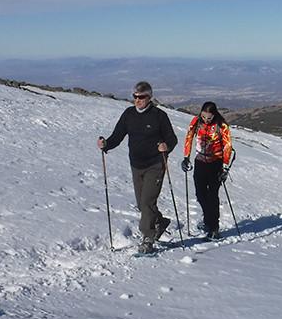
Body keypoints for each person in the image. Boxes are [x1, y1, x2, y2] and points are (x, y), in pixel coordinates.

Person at [98, 81, 178, 254]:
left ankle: (148, 238)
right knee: (142, 205)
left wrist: (166, 146)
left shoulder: (159, 116)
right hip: (136, 164)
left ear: (149, 97)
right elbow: (117, 135)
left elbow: (172, 139)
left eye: (141, 97)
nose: (137, 100)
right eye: (135, 96)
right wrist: (106, 144)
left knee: (147, 201)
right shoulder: (129, 114)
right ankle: (160, 221)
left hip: (156, 164)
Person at [181, 101, 233, 240]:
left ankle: (213, 227)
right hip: (200, 162)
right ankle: (208, 220)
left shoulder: (221, 125)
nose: (206, 119)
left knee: (212, 195)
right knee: (200, 194)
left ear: (214, 115)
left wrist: (225, 167)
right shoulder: (196, 121)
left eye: (209, 118)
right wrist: (186, 157)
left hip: (216, 163)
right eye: (203, 116)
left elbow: (227, 145)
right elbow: (189, 137)